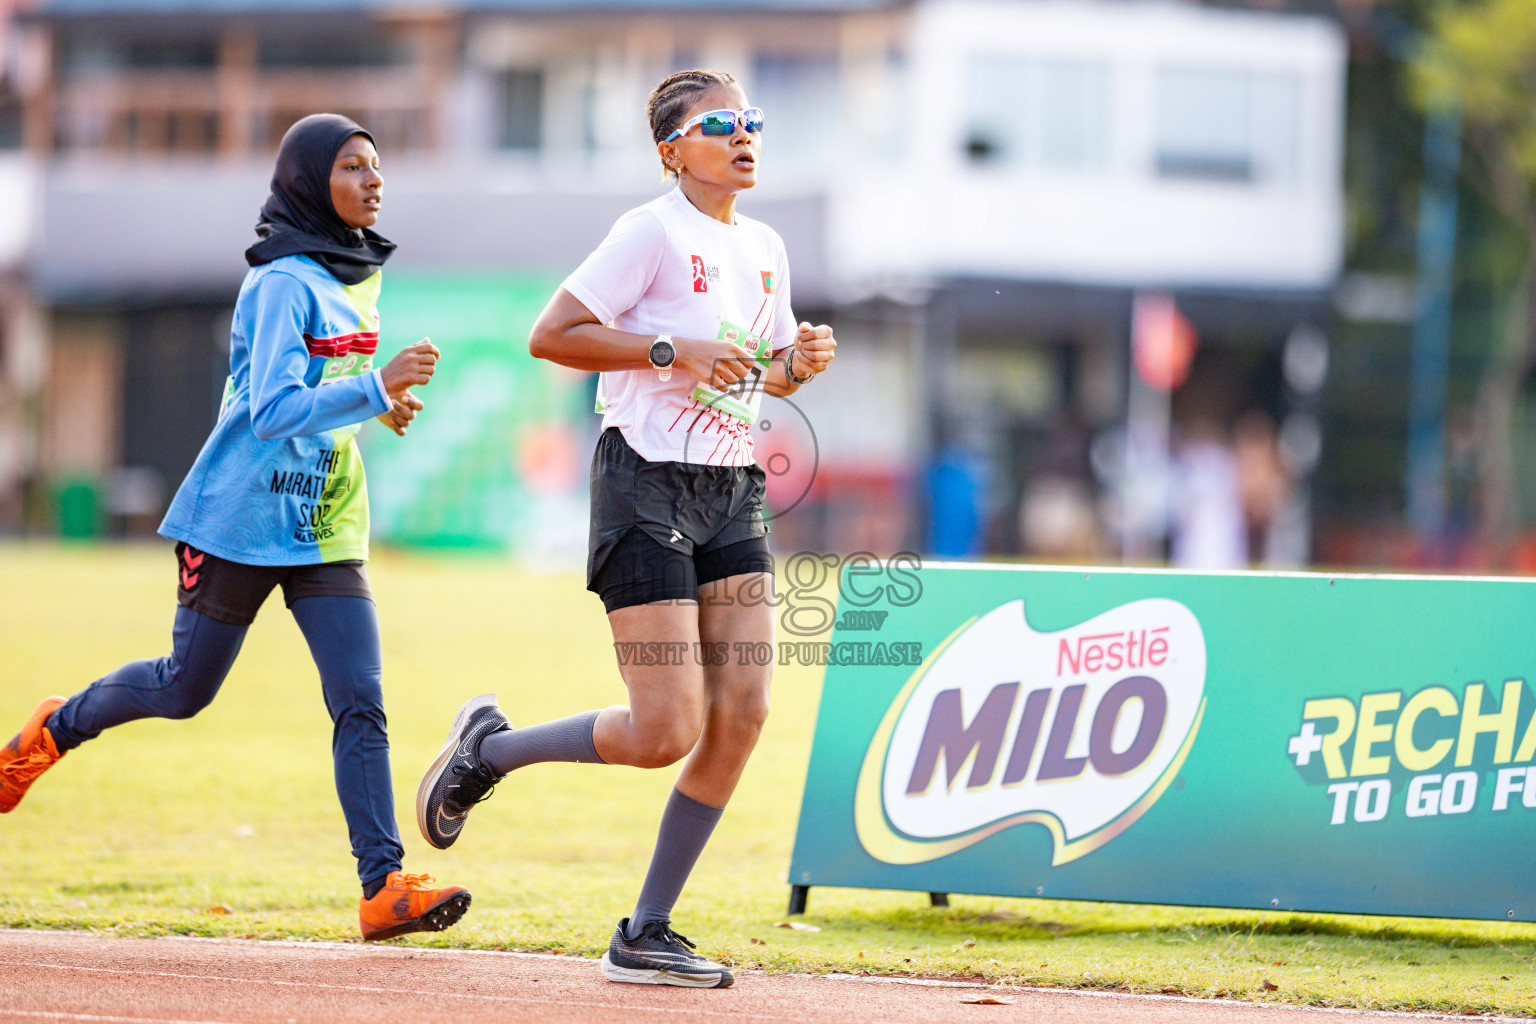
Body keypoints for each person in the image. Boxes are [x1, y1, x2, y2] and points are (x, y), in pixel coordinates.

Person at [0, 114, 471, 943]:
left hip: (324, 519)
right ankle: (54, 728)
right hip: (239, 522)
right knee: (185, 690)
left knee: (360, 698)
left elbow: (332, 388)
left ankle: (383, 885)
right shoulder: (283, 282)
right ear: (307, 182)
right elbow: (269, 410)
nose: (374, 180)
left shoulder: (353, 271)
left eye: (377, 166)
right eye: (354, 167)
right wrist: (373, 387)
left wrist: (383, 404)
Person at [415, 69, 837, 988]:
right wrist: (667, 349)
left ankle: (647, 929)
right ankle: (487, 752)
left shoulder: (765, 244)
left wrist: (796, 361)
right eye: (720, 123)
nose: (744, 135)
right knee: (664, 728)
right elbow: (552, 332)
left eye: (752, 120)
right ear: (671, 151)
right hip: (642, 481)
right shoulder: (649, 231)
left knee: (747, 712)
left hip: (730, 486)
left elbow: (760, 375)